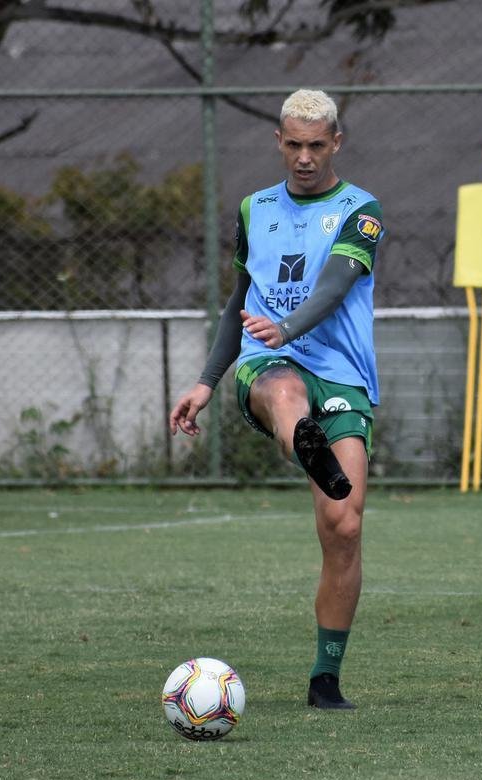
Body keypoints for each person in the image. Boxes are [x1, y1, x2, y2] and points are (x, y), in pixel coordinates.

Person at [169, 88, 384, 711]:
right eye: (293, 144)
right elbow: (239, 301)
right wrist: (207, 382)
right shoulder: (254, 208)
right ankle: (305, 443)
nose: (304, 157)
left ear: (336, 143)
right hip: (269, 362)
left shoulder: (360, 210)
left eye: (317, 145)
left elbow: (337, 286)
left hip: (341, 372)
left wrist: (287, 326)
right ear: (278, 142)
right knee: (284, 388)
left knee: (343, 524)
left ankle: (325, 680)